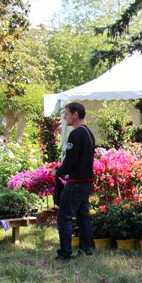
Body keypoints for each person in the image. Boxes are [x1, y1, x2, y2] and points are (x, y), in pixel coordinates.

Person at [51, 103, 96, 261]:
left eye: (67, 113)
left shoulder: (76, 134)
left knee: (64, 217)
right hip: (86, 180)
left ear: (75, 114)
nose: (64, 116)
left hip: (76, 181)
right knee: (83, 216)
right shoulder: (88, 132)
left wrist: (58, 171)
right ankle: (86, 248)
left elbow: (71, 160)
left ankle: (65, 253)